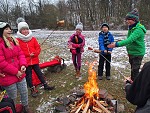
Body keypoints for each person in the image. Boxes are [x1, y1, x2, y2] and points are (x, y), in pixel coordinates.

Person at [0, 22, 32, 113]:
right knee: (12, 97)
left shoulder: (13, 41)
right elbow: (1, 63)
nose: (9, 30)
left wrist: (22, 65)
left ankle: (26, 107)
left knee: (24, 91)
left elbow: (21, 54)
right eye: (6, 29)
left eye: (9, 28)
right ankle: (12, 109)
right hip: (8, 76)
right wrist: (15, 72)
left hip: (20, 72)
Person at [17, 22, 55, 98]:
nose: (25, 31)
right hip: (26, 62)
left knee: (39, 73)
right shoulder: (18, 40)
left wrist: (34, 53)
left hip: (34, 60)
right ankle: (32, 89)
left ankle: (45, 85)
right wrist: (28, 55)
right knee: (29, 76)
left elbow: (38, 48)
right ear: (20, 31)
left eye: (26, 29)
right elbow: (18, 52)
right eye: (23, 30)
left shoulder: (33, 39)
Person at [107, 8, 146, 81]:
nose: (127, 21)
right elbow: (129, 40)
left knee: (135, 70)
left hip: (137, 53)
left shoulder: (138, 30)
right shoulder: (132, 27)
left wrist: (116, 44)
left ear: (134, 20)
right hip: (132, 53)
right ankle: (132, 82)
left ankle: (136, 87)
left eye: (129, 19)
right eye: (127, 19)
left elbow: (129, 40)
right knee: (132, 69)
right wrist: (129, 52)